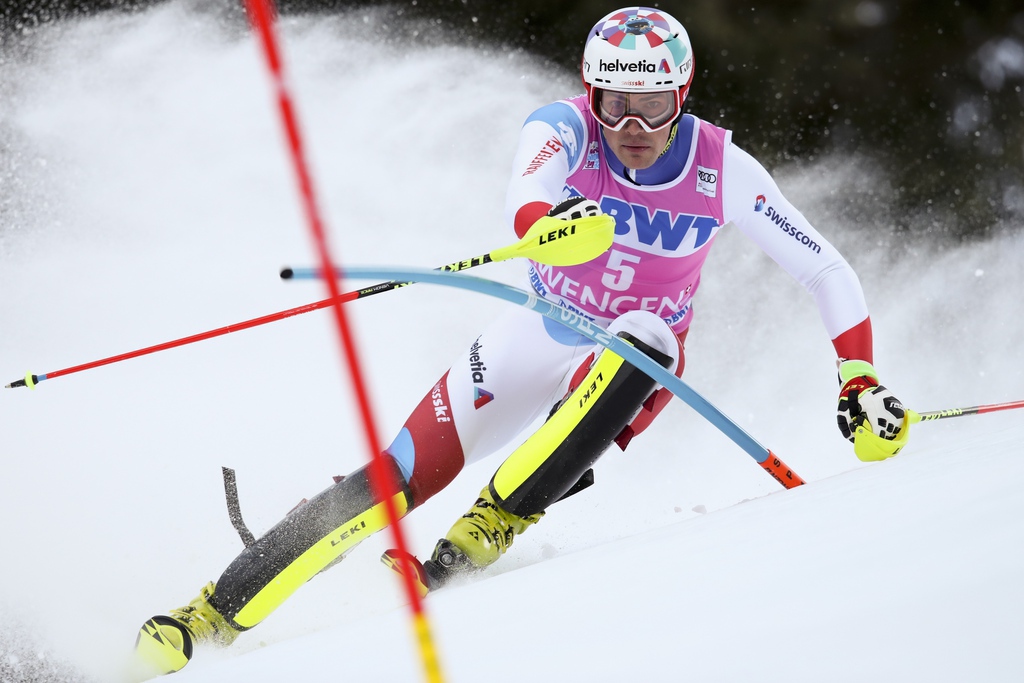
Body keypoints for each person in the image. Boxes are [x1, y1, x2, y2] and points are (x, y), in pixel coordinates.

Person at [134, 6, 907, 675]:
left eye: (652, 105)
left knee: (645, 334)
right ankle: (204, 615)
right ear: (590, 92)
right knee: (389, 480)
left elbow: (825, 269)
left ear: (682, 95)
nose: (632, 128)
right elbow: (527, 195)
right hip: (536, 331)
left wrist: (857, 375)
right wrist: (545, 228)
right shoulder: (562, 127)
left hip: (631, 365)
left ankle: (488, 525)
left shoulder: (722, 168)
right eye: (614, 104)